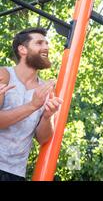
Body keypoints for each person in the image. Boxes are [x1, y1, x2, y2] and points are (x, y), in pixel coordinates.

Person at [0, 27, 63, 181]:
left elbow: (42, 138)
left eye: (47, 43)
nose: (46, 47)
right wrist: (32, 106)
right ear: (23, 49)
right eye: (39, 43)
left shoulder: (46, 90)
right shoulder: (4, 75)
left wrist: (48, 117)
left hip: (15, 172)